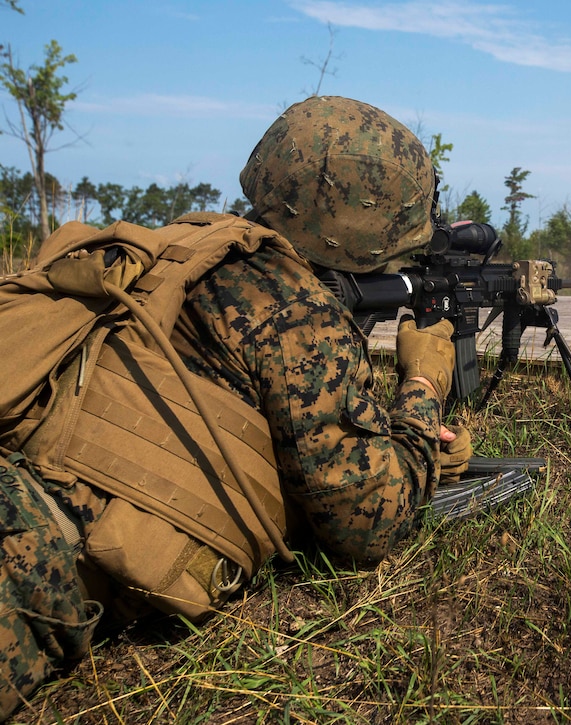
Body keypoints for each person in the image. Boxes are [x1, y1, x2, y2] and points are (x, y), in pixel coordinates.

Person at [0, 95, 470, 719]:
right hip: (33, 551)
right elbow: (369, 523)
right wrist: (423, 387)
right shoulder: (295, 309)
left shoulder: (197, 245)